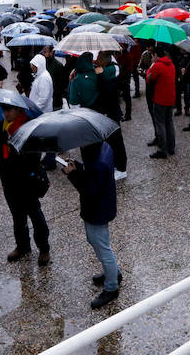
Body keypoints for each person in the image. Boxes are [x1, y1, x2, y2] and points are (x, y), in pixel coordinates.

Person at [64, 141, 122, 309]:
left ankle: (111, 287)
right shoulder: (104, 147)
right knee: (99, 243)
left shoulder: (98, 162)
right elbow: (93, 174)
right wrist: (80, 166)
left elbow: (90, 189)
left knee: (102, 248)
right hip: (101, 207)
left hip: (97, 210)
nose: (79, 143)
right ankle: (113, 273)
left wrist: (72, 174)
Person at [0, 105, 50, 266]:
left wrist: (15, 148)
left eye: (9, 110)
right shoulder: (2, 126)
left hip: (26, 181)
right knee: (17, 216)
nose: (6, 114)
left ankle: (44, 248)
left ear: (19, 110)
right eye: (4, 111)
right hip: (8, 179)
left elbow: (33, 158)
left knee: (35, 215)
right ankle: (22, 246)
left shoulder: (28, 128)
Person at [92, 52, 129, 180]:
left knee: (117, 140)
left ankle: (122, 168)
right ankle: (115, 165)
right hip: (108, 110)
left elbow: (107, 89)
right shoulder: (107, 69)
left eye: (98, 59)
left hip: (113, 111)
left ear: (104, 60)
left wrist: (101, 74)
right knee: (110, 141)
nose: (96, 61)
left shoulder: (112, 71)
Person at [146, 45, 176, 159]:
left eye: (153, 55)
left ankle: (162, 150)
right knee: (169, 123)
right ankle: (171, 147)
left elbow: (149, 78)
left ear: (156, 55)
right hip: (170, 98)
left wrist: (152, 65)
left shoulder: (157, 66)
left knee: (160, 124)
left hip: (160, 98)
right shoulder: (171, 64)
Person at [42, 45, 66, 110]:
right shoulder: (43, 64)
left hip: (55, 99)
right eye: (43, 52)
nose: (43, 54)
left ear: (51, 52)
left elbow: (61, 84)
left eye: (45, 52)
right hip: (46, 98)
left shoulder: (58, 65)